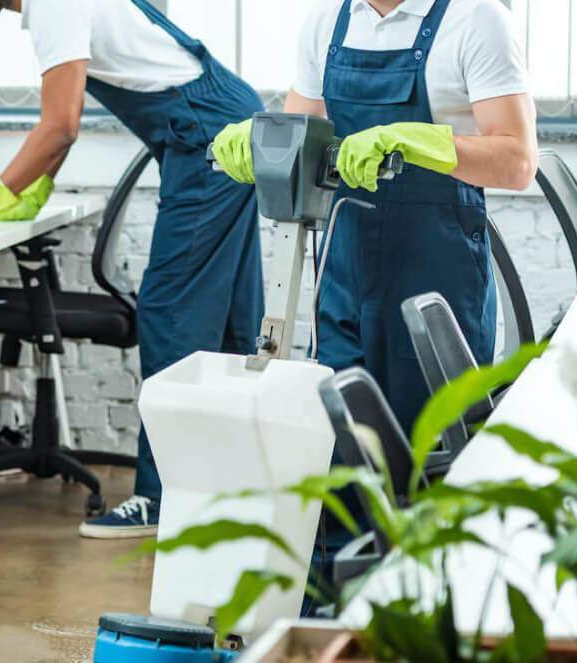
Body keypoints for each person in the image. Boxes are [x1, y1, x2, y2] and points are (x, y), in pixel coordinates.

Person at [211, 0, 537, 608]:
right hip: (343, 264)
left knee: (422, 453)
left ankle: (434, 617)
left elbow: (518, 160)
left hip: (435, 274)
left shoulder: (475, 19)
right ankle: (345, 619)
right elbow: (301, 134)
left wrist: (419, 140)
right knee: (345, 450)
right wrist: (259, 140)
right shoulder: (327, 24)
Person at [0, 0, 267, 539]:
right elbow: (63, 125)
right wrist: (31, 188)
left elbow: (60, 125)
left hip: (209, 139)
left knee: (172, 313)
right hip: (225, 122)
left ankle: (162, 498)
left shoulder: (51, 8)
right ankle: (231, 489)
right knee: (227, 320)